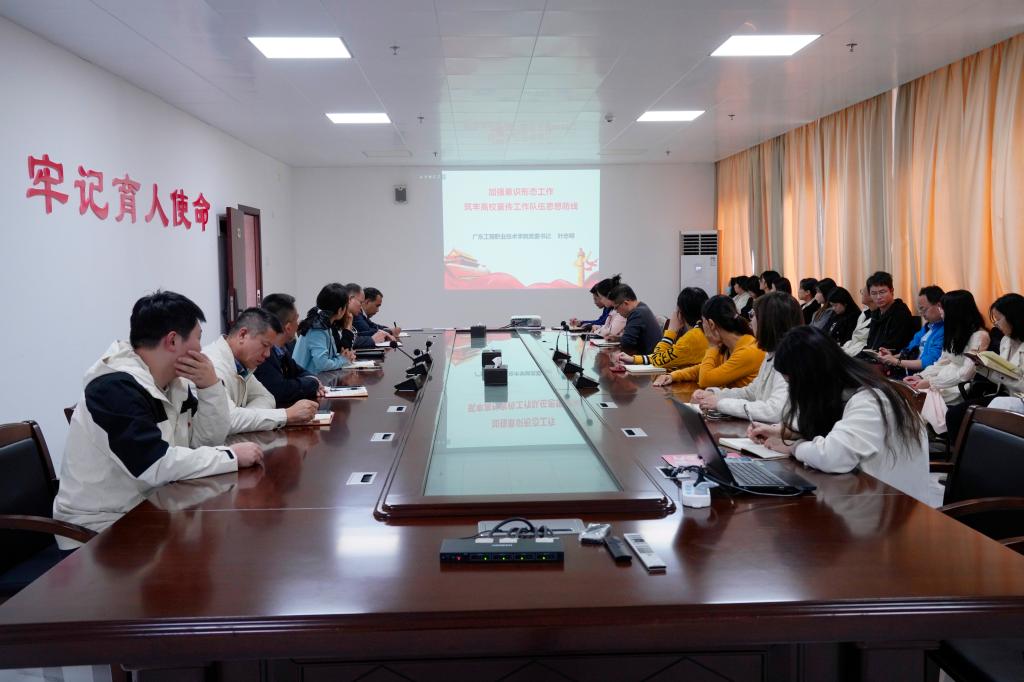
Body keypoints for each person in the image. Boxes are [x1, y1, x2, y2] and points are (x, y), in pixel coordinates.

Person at [53, 291, 263, 546]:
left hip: (151, 509)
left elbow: (206, 441)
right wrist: (230, 456)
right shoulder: (114, 388)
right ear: (172, 340)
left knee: (221, 540)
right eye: (198, 338)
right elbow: (153, 466)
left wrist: (210, 387)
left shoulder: (173, 384)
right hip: (99, 531)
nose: (201, 350)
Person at [748, 326, 933, 505]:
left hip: (893, 508)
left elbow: (833, 457)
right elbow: (835, 431)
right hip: (869, 499)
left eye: (793, 384)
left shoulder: (873, 400)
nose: (794, 392)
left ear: (811, 378)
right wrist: (788, 433)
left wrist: (793, 448)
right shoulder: (846, 390)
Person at [204, 307, 319, 434]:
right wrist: (286, 415)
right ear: (242, 335)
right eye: (265, 345)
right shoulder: (212, 366)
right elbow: (227, 420)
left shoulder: (241, 364)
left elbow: (266, 397)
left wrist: (246, 417)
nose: (267, 354)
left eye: (270, 348)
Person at [691, 292, 801, 421]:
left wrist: (720, 403)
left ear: (768, 322)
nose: (750, 320)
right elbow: (751, 392)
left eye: (753, 315)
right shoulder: (771, 354)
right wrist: (715, 394)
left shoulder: (791, 360)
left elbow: (774, 411)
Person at [904, 290, 989, 433]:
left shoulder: (980, 336)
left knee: (916, 398)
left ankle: (920, 437)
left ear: (955, 311)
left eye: (942, 308)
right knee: (908, 393)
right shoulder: (954, 331)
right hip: (942, 377)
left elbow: (966, 374)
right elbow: (942, 362)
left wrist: (931, 383)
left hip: (957, 385)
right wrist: (920, 376)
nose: (940, 311)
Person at [653, 295, 763, 389]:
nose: (701, 327)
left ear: (711, 324)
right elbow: (703, 368)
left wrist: (712, 346)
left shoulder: (747, 351)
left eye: (702, 323)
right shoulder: (729, 345)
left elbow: (705, 379)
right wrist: (673, 376)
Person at [255, 293, 326, 408]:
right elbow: (281, 390)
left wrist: (314, 380)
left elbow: (298, 371)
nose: (298, 324)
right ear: (288, 327)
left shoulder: (282, 348)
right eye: (296, 320)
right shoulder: (263, 354)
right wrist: (313, 383)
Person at [617, 287, 708, 369]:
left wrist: (671, 331)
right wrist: (633, 359)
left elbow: (658, 360)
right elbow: (664, 357)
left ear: (680, 313)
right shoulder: (702, 332)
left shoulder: (692, 338)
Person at [878, 285, 945, 374]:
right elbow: (909, 350)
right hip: (910, 371)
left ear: (939, 305)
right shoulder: (927, 327)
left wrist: (896, 362)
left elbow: (930, 362)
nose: (922, 314)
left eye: (923, 309)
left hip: (923, 374)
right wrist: (891, 357)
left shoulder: (944, 330)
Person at [293, 283, 356, 373]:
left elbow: (328, 357)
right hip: (306, 379)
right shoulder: (317, 329)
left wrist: (342, 356)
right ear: (340, 310)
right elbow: (322, 364)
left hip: (317, 377)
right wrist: (343, 360)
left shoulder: (324, 323)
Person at [863, 271, 917, 352]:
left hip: (892, 356)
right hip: (874, 355)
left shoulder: (900, 313)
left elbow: (893, 345)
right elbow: (870, 342)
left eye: (882, 292)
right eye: (874, 293)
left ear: (892, 291)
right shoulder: (876, 313)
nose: (878, 297)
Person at [607, 283, 661, 355]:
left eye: (616, 307)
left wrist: (622, 339)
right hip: (648, 356)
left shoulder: (637, 313)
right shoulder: (642, 307)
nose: (616, 311)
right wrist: (618, 339)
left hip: (647, 359)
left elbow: (627, 343)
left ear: (625, 303)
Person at [346, 283, 393, 348]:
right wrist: (372, 339)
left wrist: (387, 330)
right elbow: (364, 332)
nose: (361, 306)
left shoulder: (350, 316)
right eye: (360, 302)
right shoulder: (353, 316)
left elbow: (354, 337)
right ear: (350, 299)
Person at [588, 274, 627, 339]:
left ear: (608, 295)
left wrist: (597, 330)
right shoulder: (612, 310)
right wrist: (598, 327)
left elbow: (610, 333)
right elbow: (606, 327)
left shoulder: (621, 311)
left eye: (601, 298)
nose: (601, 301)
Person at [842, 286, 877, 357]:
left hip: (861, 352)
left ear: (871, 295)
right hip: (852, 348)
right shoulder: (865, 312)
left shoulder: (878, 316)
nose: (861, 293)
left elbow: (863, 342)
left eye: (863, 291)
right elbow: (855, 338)